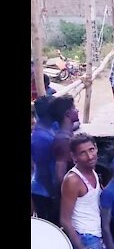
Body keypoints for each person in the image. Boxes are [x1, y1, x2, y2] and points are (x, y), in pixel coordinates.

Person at [60, 133, 112, 249]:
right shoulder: (72, 180)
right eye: (82, 153)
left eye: (91, 150)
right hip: (85, 238)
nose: (89, 157)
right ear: (74, 157)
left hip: (98, 234)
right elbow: (65, 220)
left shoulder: (92, 170)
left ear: (96, 148)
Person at [31, 96, 58, 224]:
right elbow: (43, 171)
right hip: (44, 192)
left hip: (50, 187)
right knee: (51, 226)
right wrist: (53, 193)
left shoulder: (51, 125)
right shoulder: (39, 138)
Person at [49, 95, 79, 193]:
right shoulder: (64, 140)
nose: (77, 110)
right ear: (67, 113)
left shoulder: (67, 132)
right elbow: (60, 175)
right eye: (74, 108)